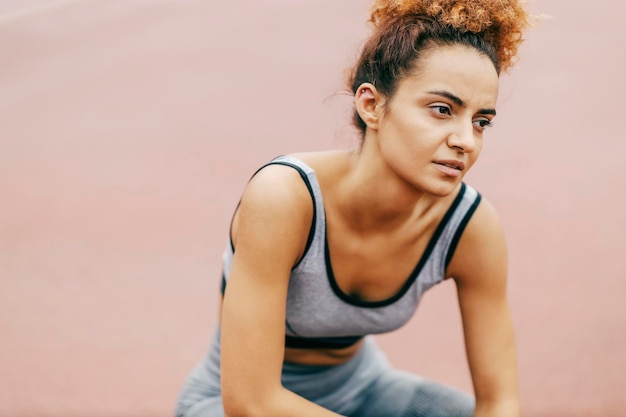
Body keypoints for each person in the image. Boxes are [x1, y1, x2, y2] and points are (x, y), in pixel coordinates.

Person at [175, 0, 531, 416]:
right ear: (372, 105)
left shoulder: (471, 227)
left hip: (366, 390)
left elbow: (500, 402)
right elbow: (251, 402)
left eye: (480, 122)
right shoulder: (286, 197)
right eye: (442, 110)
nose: (466, 141)